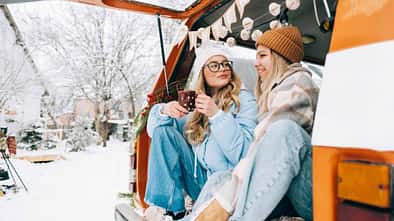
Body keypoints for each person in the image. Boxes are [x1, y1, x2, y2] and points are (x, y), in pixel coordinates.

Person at [186, 26, 319, 221]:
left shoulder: (299, 83)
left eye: (262, 56)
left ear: (280, 56)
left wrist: (225, 201)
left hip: (312, 192)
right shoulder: (272, 92)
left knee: (284, 131)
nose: (255, 63)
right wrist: (162, 111)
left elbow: (256, 148)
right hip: (285, 186)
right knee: (220, 179)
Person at [144, 44, 258, 220]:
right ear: (202, 72)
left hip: (226, 186)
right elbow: (154, 132)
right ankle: (169, 210)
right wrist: (164, 110)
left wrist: (217, 115)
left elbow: (243, 154)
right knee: (164, 133)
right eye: (214, 65)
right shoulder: (194, 103)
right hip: (199, 182)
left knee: (220, 177)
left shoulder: (244, 100)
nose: (223, 69)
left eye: (226, 64)